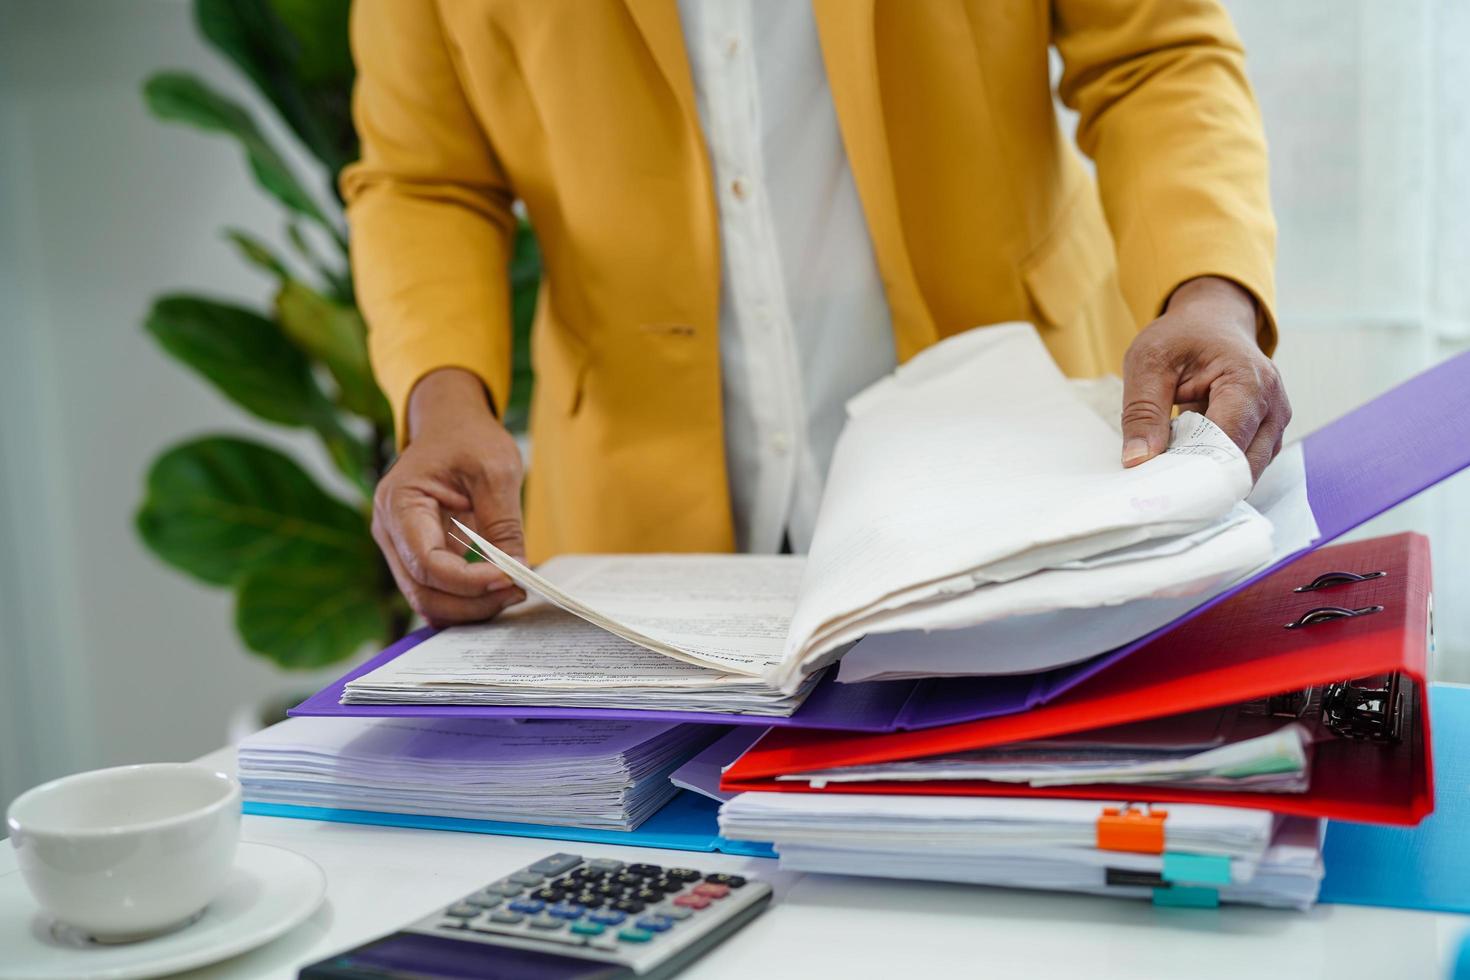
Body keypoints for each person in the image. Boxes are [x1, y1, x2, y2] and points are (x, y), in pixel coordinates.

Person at [344, 0, 1291, 628]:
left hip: (1022, 450)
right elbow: (425, 177)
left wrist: (1209, 291)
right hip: (643, 519)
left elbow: (1153, 56)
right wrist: (443, 401)